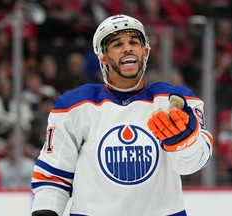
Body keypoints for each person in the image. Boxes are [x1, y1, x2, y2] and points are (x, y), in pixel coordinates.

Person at [31, 14, 213, 216]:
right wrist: (45, 210)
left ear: (144, 52)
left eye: (134, 42)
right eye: (117, 44)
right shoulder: (75, 105)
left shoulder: (175, 100)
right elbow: (53, 173)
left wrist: (185, 142)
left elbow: (193, 164)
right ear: (103, 56)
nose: (128, 47)